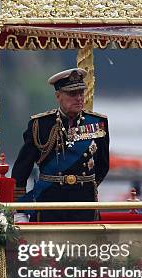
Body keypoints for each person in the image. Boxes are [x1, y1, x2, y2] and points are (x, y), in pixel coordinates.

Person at [11, 68, 109, 222]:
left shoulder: (97, 123)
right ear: (58, 96)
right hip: (49, 202)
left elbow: (103, 165)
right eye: (72, 94)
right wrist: (19, 210)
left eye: (81, 93)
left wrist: (85, 184)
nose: (79, 98)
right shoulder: (40, 124)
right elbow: (21, 169)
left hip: (84, 203)